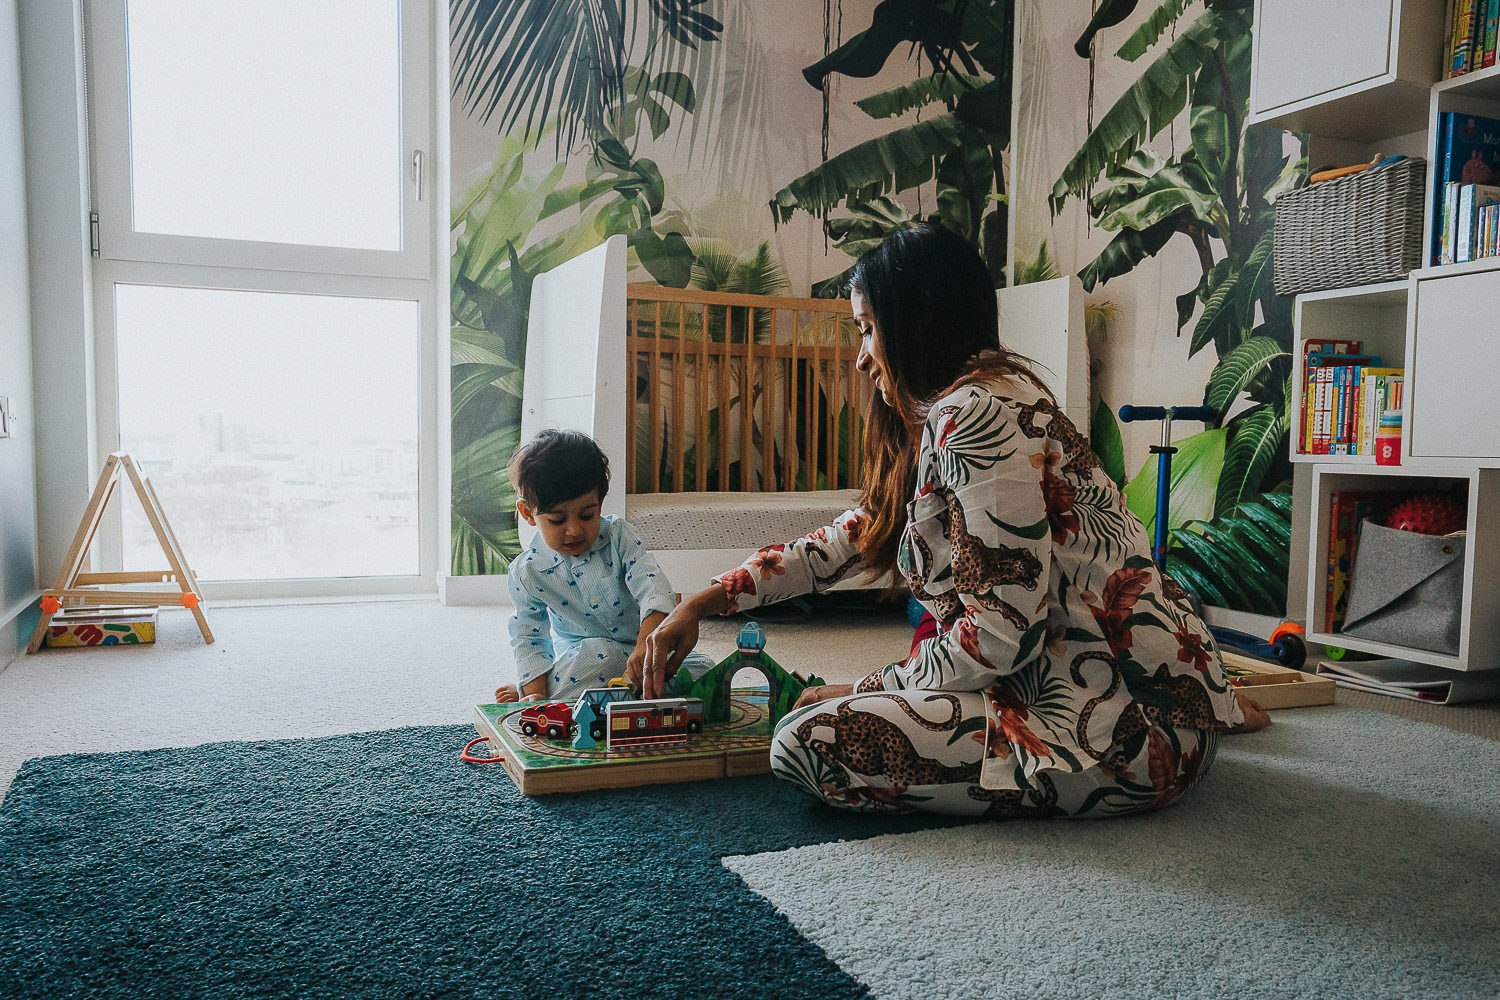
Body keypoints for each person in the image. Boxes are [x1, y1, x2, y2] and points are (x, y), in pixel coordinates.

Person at [643, 224, 1269, 818]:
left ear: (915, 318)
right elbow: (859, 534)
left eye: (868, 329)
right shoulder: (985, 399)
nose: (862, 357)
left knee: (807, 741)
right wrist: (707, 600)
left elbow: (1002, 635)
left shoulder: (972, 415)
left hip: (1125, 742)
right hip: (1127, 708)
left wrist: (864, 688)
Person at [495, 429, 715, 705]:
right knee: (599, 658)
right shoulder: (526, 572)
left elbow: (655, 590)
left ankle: (618, 693)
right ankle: (540, 691)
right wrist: (536, 693)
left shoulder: (620, 536)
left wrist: (645, 647)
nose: (574, 530)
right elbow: (529, 638)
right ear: (528, 513)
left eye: (588, 515)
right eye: (557, 520)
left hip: (646, 650)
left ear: (600, 504)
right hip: (584, 659)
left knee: (706, 671)